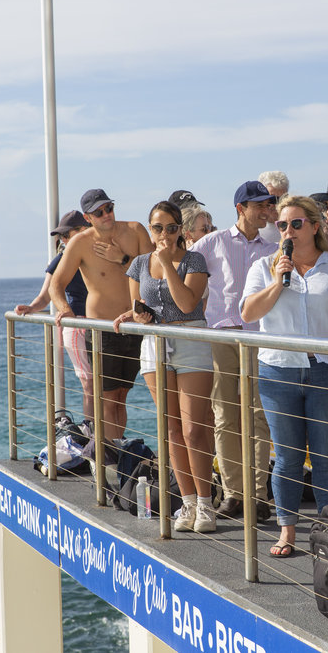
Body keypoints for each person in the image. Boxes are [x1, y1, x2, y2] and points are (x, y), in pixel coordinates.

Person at [241, 195, 328, 557]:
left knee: (327, 455)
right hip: (278, 371)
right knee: (287, 457)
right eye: (282, 225)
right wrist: (276, 282)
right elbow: (248, 314)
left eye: (296, 224)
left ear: (315, 226)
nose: (288, 231)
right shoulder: (263, 267)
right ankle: (287, 531)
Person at [114, 201, 216, 533]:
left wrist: (167, 263)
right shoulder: (138, 265)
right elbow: (137, 307)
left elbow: (187, 304)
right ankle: (187, 502)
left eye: (171, 228)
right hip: (154, 346)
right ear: (150, 229)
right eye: (157, 228)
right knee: (171, 429)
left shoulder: (194, 260)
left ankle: (206, 503)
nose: (164, 234)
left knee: (193, 430)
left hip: (190, 341)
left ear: (180, 230)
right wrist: (137, 315)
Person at [188, 180, 277, 522]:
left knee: (258, 416)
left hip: (260, 337)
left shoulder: (274, 248)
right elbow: (184, 279)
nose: (267, 210)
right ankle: (233, 494)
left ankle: (258, 495)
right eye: (261, 205)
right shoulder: (211, 242)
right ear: (241, 208)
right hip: (222, 335)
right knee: (225, 416)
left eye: (269, 204)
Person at [50, 189, 154, 442]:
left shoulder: (135, 231)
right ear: (88, 218)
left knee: (121, 396)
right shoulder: (80, 243)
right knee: (107, 398)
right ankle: (111, 455)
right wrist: (65, 309)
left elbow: (153, 273)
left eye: (109, 208)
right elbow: (56, 284)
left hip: (134, 326)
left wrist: (122, 258)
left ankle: (116, 449)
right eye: (99, 212)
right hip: (102, 330)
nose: (107, 214)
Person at [15, 210, 95, 425]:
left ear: (85, 230)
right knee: (89, 383)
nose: (64, 239)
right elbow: (45, 295)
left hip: (101, 323)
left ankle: (107, 435)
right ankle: (92, 432)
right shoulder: (61, 259)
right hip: (77, 322)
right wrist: (31, 307)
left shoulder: (101, 253)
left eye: (68, 234)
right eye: (62, 236)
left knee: (107, 385)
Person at [257, 171, 289, 243]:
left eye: (283, 199)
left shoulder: (296, 228)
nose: (278, 204)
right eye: (272, 199)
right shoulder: (251, 231)